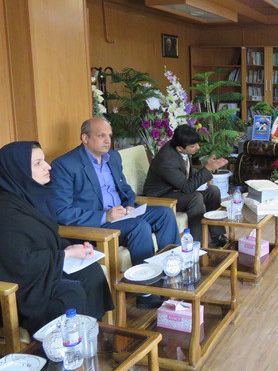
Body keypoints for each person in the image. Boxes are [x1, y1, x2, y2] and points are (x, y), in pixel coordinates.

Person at [50, 118, 180, 287]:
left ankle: (173, 274)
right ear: (85, 138)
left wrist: (129, 205)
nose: (108, 140)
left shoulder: (113, 157)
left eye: (109, 136)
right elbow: (62, 212)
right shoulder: (65, 165)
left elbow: (125, 189)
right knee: (139, 226)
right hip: (97, 224)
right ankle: (148, 290)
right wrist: (105, 216)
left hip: (124, 214)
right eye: (101, 135)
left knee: (165, 213)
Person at [0, 141, 113, 335]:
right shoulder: (5, 212)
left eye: (44, 160)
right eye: (38, 163)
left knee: (91, 271)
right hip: (21, 286)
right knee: (70, 294)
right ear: (17, 170)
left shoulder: (31, 196)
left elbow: (46, 236)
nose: (48, 167)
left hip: (43, 269)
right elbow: (19, 264)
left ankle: (92, 332)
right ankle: (69, 347)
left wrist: (73, 248)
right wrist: (65, 255)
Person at [142, 125, 228, 244]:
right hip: (160, 197)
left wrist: (208, 169)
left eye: (197, 144)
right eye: (193, 146)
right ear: (180, 148)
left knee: (213, 191)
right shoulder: (166, 160)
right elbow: (187, 187)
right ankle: (199, 244)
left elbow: (187, 172)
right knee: (195, 198)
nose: (197, 147)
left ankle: (216, 236)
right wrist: (208, 169)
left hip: (175, 189)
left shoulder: (182, 145)